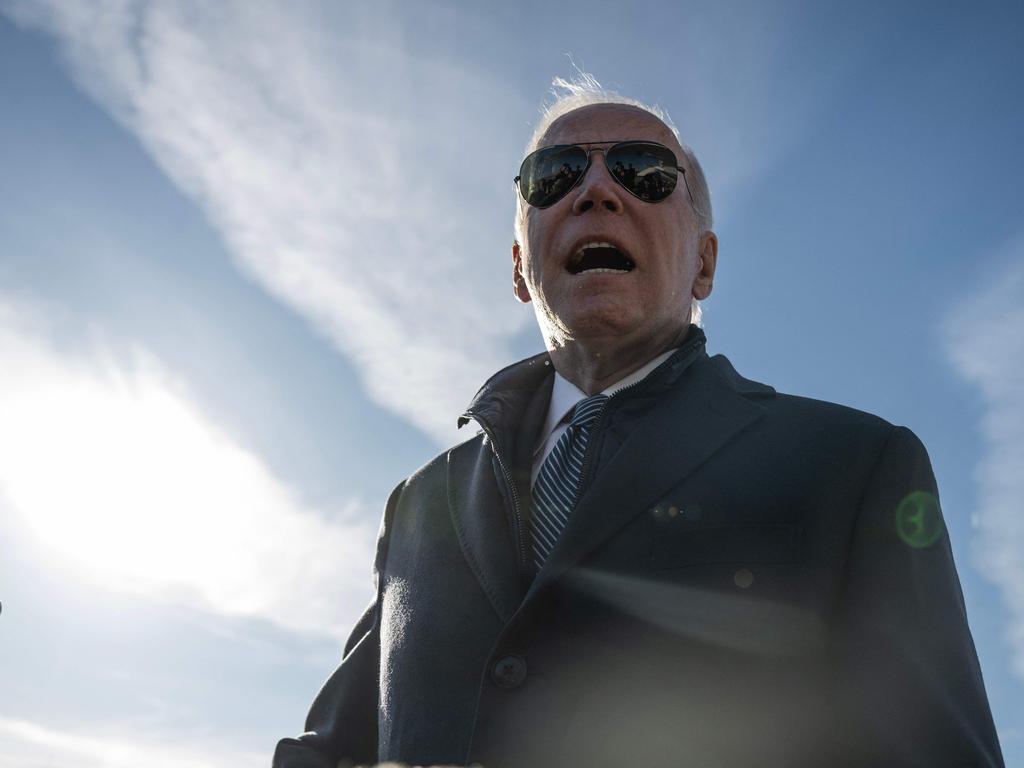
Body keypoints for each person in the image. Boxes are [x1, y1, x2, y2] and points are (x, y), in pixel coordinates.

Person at [273, 79, 1004, 768]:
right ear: (521, 266)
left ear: (705, 264)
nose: (596, 192)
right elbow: (335, 749)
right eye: (553, 176)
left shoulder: (856, 466)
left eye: (644, 172)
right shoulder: (420, 504)